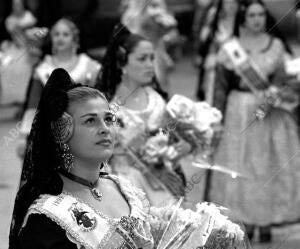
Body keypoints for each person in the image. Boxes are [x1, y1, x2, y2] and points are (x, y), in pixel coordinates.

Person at [5, 68, 154, 249]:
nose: (105, 128)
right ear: (63, 132)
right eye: (90, 121)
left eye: (109, 119)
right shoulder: (46, 215)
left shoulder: (125, 190)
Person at [208, 0, 300, 242]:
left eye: (261, 15)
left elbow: (285, 79)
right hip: (238, 110)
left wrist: (277, 94)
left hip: (268, 113)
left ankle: (266, 220)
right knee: (241, 165)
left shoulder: (276, 46)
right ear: (243, 18)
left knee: (266, 165)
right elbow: (220, 87)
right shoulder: (230, 49)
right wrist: (215, 117)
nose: (257, 20)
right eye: (252, 15)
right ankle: (244, 219)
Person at [96, 26, 192, 208]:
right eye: (142, 59)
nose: (150, 65)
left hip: (162, 184)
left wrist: (183, 147)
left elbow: (172, 139)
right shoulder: (106, 106)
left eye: (152, 58)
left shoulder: (158, 100)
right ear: (122, 63)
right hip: (122, 187)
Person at [17, 18, 100, 156]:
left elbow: (101, 101)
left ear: (74, 39)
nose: (60, 38)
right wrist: (23, 136)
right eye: (56, 34)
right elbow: (33, 107)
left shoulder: (89, 67)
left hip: (85, 130)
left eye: (65, 34)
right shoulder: (43, 69)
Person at [121, 0, 180, 92]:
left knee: (157, 80)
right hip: (137, 50)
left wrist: (163, 34)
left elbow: (170, 26)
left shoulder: (155, 8)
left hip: (154, 50)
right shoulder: (131, 10)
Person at [0, 0, 37, 107]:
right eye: (15, 5)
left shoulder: (29, 17)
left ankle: (23, 97)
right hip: (14, 48)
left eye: (19, 5)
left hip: (28, 47)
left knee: (23, 66)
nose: (17, 7)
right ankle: (10, 97)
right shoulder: (9, 20)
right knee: (6, 65)